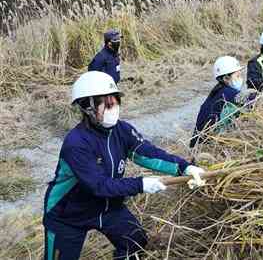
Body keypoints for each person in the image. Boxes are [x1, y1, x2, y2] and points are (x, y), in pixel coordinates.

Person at [43, 71, 205, 260]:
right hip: (68, 215)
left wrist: (184, 167)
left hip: (109, 207)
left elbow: (147, 153)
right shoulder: (76, 143)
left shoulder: (122, 130)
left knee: (135, 242)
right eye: (108, 103)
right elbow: (99, 186)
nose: (114, 108)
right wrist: (141, 184)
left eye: (116, 101)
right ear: (87, 106)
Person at [190, 56, 247, 148]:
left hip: (198, 144)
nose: (241, 79)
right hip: (208, 145)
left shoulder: (218, 91)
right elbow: (250, 102)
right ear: (226, 78)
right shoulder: (229, 93)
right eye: (237, 76)